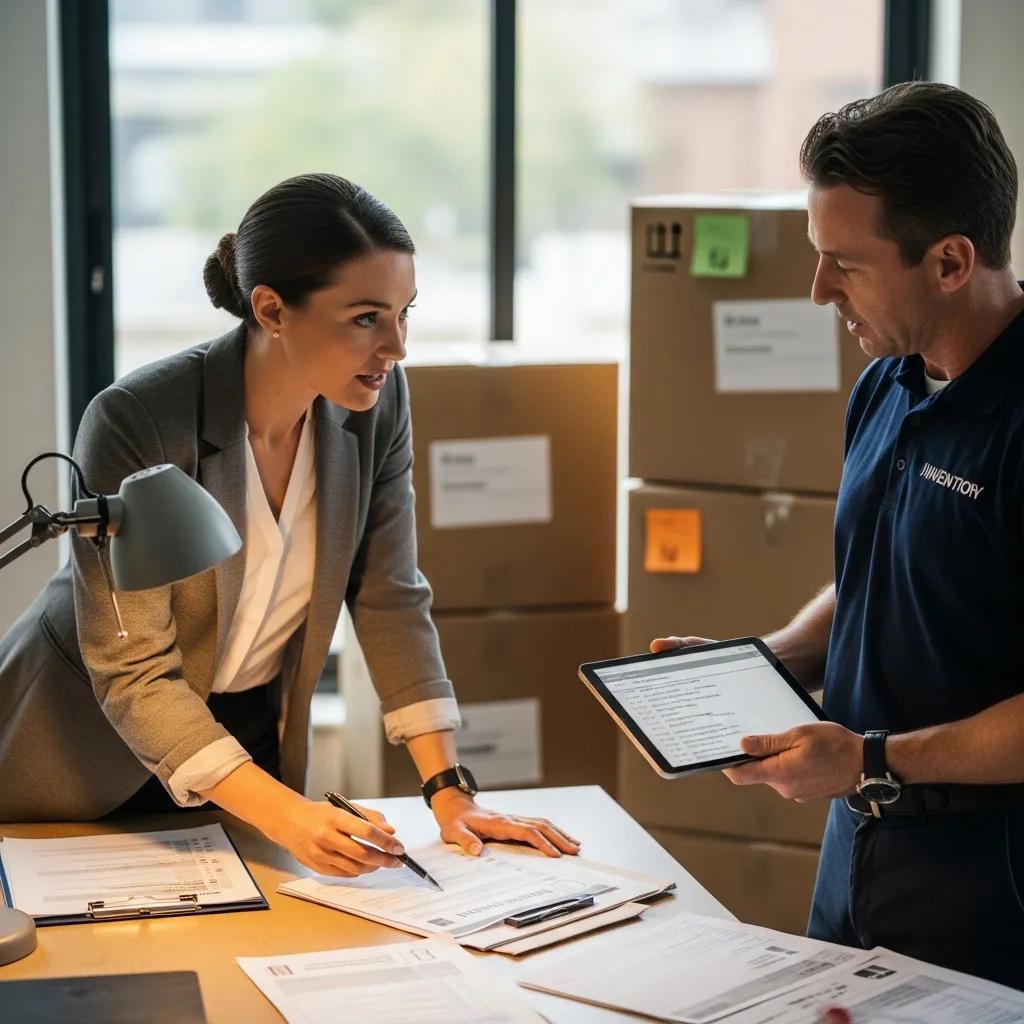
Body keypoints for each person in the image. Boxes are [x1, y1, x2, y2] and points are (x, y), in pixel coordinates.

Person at [0, 173, 579, 877]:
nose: (395, 346)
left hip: (247, 744)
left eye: (405, 313)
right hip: (87, 754)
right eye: (366, 318)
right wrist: (288, 816)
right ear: (272, 308)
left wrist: (449, 793)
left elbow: (390, 593)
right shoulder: (139, 420)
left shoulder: (379, 403)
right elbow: (132, 669)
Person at [653, 82, 1024, 989]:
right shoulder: (887, 383)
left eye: (845, 265)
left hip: (990, 884)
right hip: (856, 851)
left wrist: (866, 757)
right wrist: (771, 663)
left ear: (948, 261)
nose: (818, 291)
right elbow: (881, 572)